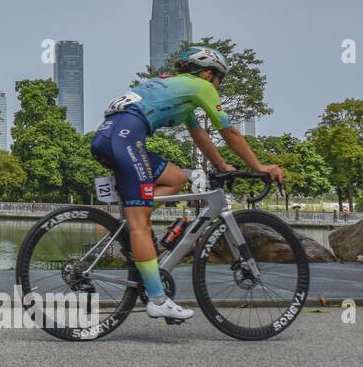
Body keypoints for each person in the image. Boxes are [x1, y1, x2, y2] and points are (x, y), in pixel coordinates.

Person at [91, 46, 284, 321]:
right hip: (124, 139)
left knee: (177, 178)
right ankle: (158, 299)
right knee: (140, 226)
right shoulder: (200, 86)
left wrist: (220, 165)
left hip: (110, 137)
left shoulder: (177, 88)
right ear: (208, 73)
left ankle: (136, 225)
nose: (219, 86)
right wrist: (259, 166)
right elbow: (228, 132)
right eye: (220, 79)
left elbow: (199, 134)